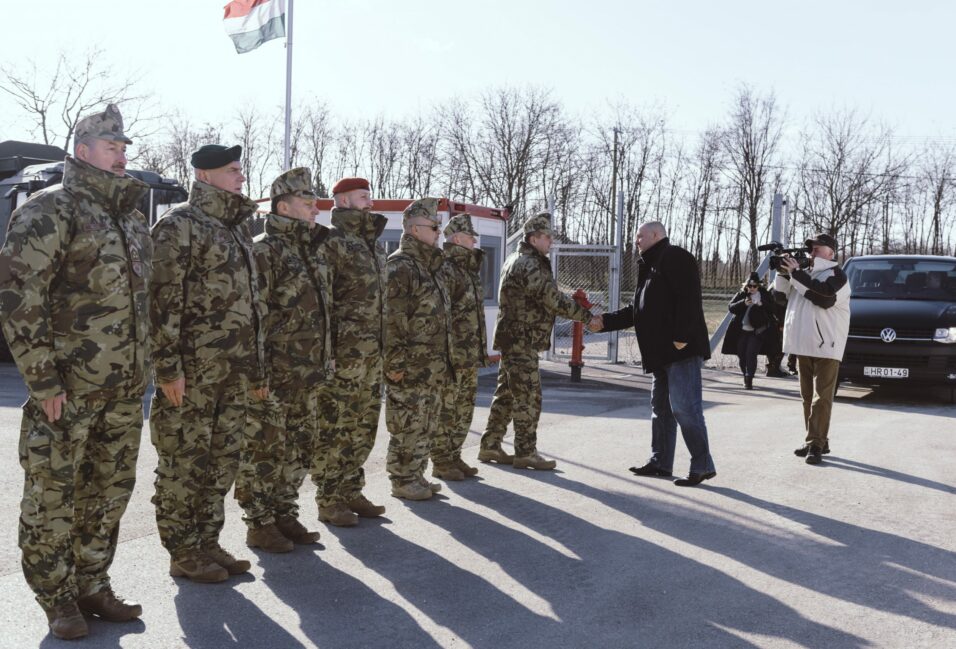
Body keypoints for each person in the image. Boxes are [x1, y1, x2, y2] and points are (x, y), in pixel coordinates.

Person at [0, 104, 148, 639]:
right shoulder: (49, 210)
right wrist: (42, 379)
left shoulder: (129, 218)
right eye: (111, 146)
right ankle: (57, 599)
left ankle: (92, 584)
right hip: (67, 389)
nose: (121, 155)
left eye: (124, 146)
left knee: (107, 493)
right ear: (82, 151)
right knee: (53, 498)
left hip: (124, 389)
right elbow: (19, 296)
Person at [149, 144, 267, 583]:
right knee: (184, 461)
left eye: (240, 170)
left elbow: (252, 304)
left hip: (233, 371)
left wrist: (255, 367)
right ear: (205, 176)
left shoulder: (236, 228)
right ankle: (182, 550)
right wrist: (167, 368)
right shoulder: (179, 225)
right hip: (194, 372)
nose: (240, 177)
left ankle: (207, 541)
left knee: (222, 462)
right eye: (232, 171)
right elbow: (162, 301)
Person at [235, 167, 330, 553]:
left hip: (308, 369)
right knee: (264, 448)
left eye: (314, 202)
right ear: (282, 206)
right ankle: (259, 522)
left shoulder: (312, 250)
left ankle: (284, 512)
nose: (314, 209)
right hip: (274, 369)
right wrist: (257, 370)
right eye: (307, 203)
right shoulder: (263, 249)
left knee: (299, 444)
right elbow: (254, 315)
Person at [594, 221, 717, 486]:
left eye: (639, 236)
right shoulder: (649, 265)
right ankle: (661, 462)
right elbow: (637, 310)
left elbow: (689, 298)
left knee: (685, 409)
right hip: (660, 354)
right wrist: (604, 321)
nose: (636, 241)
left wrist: (682, 338)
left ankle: (702, 464)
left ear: (655, 235)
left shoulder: (674, 256)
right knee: (660, 409)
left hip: (680, 350)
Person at [479, 212, 596, 471]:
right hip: (522, 339)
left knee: (507, 393)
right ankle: (526, 452)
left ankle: (490, 444)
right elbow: (552, 298)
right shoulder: (530, 264)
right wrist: (588, 318)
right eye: (546, 237)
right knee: (528, 396)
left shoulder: (517, 259)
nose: (550, 242)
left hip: (514, 338)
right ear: (533, 239)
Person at [310, 177, 388, 526]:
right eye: (362, 197)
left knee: (363, 424)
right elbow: (322, 301)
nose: (370, 202)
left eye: (369, 196)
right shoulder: (331, 243)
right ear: (342, 202)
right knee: (335, 426)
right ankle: (328, 499)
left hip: (372, 353)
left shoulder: (372, 245)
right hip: (344, 354)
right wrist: (328, 351)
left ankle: (351, 489)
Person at [384, 198, 455, 499]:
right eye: (434, 226)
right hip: (410, 365)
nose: (439, 232)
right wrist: (395, 364)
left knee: (426, 421)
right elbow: (392, 320)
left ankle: (417, 474)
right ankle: (401, 480)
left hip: (432, 365)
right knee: (407, 423)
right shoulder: (400, 266)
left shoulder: (431, 266)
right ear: (414, 229)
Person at [774, 232, 851, 465]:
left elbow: (824, 297)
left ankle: (815, 445)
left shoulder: (837, 276)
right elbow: (779, 299)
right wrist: (781, 272)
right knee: (807, 397)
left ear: (830, 252)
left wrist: (795, 273)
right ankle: (816, 440)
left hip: (827, 345)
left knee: (821, 398)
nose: (812, 251)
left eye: (817, 248)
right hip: (802, 344)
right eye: (810, 248)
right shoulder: (802, 273)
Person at [430, 214, 494, 481]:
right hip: (453, 355)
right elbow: (440, 314)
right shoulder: (446, 268)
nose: (474, 240)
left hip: (467, 354)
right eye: (470, 236)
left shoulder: (467, 269)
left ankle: (454, 455)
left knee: (464, 407)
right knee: (447, 409)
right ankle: (441, 461)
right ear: (457, 239)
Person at [721, 272, 778, 389]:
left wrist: (762, 304)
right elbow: (731, 307)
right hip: (741, 330)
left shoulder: (764, 295)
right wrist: (743, 303)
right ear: (746, 286)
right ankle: (745, 375)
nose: (752, 288)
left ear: (759, 286)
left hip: (758, 331)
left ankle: (749, 379)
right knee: (742, 354)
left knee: (751, 354)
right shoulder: (742, 294)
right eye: (749, 286)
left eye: (754, 286)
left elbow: (773, 308)